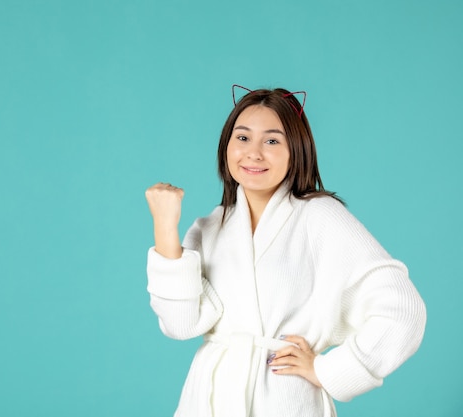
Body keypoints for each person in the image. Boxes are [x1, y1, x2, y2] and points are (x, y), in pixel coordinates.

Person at [144, 86, 426, 417]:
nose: (254, 153)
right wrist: (165, 225)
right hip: (208, 399)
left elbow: (403, 311)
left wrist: (330, 372)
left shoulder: (320, 216)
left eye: (273, 141)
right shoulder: (210, 226)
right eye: (243, 138)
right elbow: (181, 324)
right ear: (226, 146)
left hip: (284, 398)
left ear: (297, 150)